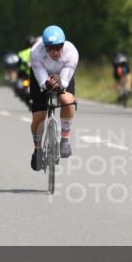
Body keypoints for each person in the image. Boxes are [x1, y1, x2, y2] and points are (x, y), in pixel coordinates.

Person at [29, 25, 79, 170]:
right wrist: (46, 84)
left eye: (58, 47)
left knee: (67, 101)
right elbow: (42, 81)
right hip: (42, 76)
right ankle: (37, 148)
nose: (55, 51)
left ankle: (65, 138)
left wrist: (60, 84)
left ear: (63, 44)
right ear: (45, 47)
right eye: (50, 48)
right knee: (39, 117)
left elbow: (64, 81)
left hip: (63, 75)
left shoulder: (71, 53)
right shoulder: (36, 52)